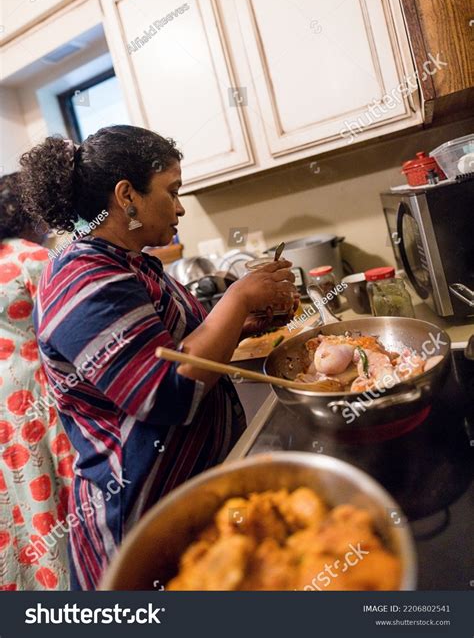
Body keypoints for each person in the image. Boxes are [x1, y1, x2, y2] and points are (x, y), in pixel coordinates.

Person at [19, 125, 297, 590]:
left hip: (181, 503)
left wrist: (238, 327)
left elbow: (175, 343)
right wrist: (238, 301)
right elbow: (167, 392)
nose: (181, 206)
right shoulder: (82, 276)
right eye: (172, 191)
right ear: (127, 196)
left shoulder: (127, 262)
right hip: (138, 522)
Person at [0, 172, 75, 591]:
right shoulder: (34, 257)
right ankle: (74, 590)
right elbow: (67, 326)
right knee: (58, 486)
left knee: (22, 494)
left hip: (4, 401)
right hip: (38, 390)